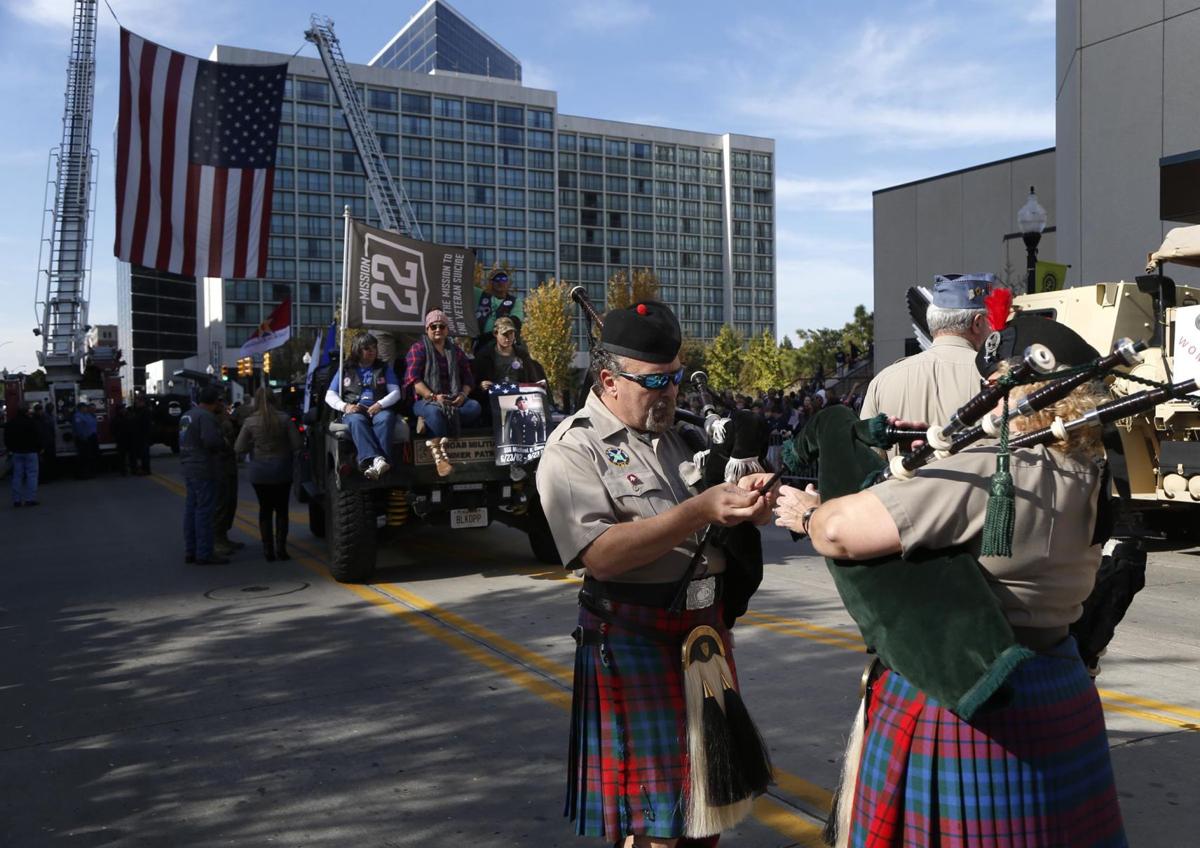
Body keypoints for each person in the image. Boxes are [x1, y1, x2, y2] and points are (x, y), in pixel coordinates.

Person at [769, 318, 1127, 848]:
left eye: (996, 378)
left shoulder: (999, 465)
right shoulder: (1090, 471)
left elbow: (844, 533)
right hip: (1059, 685)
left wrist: (808, 516)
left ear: (1019, 385)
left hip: (974, 696)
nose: (987, 390)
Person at [537, 300, 772, 846]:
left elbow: (716, 518)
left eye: (674, 379)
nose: (668, 392)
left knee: (708, 813)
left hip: (703, 635)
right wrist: (702, 509)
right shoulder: (573, 449)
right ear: (608, 379)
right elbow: (600, 555)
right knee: (657, 824)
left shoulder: (679, 435)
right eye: (653, 381)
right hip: (636, 635)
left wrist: (749, 508)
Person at [860, 273, 996, 427]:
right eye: (989, 322)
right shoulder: (997, 374)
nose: (992, 329)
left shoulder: (882, 382)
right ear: (977, 324)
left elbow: (866, 449)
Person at [235, 388, 302, 561]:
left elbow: (239, 448)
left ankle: (267, 550)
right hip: (281, 469)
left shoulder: (250, 422)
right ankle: (281, 548)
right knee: (281, 510)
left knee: (265, 510)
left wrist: (253, 445)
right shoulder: (285, 419)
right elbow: (297, 445)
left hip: (260, 471)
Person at [325, 333, 402, 480]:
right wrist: (345, 407)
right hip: (355, 410)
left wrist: (380, 404)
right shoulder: (345, 369)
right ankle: (378, 460)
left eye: (374, 347)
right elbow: (330, 395)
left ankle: (373, 465)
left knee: (385, 419)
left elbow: (396, 393)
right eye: (367, 348)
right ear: (357, 350)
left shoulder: (384, 368)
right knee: (356, 421)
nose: (372, 351)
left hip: (379, 408)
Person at [403, 309, 482, 437]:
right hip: (426, 400)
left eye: (442, 326)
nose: (438, 329)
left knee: (474, 407)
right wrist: (434, 397)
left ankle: (431, 420)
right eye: (433, 326)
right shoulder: (418, 348)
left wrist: (462, 395)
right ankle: (441, 449)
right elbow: (414, 380)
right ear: (427, 329)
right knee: (435, 412)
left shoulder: (456, 351)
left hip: (453, 399)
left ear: (447, 330)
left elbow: (468, 378)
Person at [179, 385, 228, 565]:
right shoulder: (207, 417)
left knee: (191, 510)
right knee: (205, 512)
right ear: (214, 402)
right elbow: (211, 442)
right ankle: (205, 552)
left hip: (188, 466)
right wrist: (223, 442)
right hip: (204, 468)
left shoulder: (187, 415)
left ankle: (190, 550)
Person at [474, 316, 547, 392]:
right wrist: (481, 385)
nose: (508, 338)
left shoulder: (522, 354)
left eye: (511, 333)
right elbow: (475, 383)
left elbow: (532, 379)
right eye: (504, 334)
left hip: (521, 395)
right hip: (494, 397)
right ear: (495, 334)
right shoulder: (484, 356)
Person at [212, 397, 244, 558]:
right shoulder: (214, 421)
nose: (223, 406)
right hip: (220, 466)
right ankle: (217, 540)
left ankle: (223, 536)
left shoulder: (225, 419)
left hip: (229, 465)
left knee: (230, 502)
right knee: (222, 504)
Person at [6, 402, 43, 507]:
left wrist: (11, 449)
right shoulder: (31, 423)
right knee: (32, 475)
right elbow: (37, 436)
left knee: (17, 476)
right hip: (30, 451)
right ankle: (30, 499)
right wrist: (39, 448)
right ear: (27, 411)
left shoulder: (11, 423)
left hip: (17, 452)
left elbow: (7, 438)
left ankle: (16, 500)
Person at [474, 269, 523, 348]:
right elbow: (463, 285)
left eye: (504, 279)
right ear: (490, 282)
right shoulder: (480, 295)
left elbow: (516, 320)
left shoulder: (515, 301)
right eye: (497, 279)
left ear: (508, 283)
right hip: (481, 342)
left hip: (504, 343)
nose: (500, 282)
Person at [71, 402, 99, 478]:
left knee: (88, 457)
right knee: (82, 457)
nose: (86, 409)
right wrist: (83, 437)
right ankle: (81, 474)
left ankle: (88, 473)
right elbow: (79, 428)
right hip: (82, 439)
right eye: (84, 407)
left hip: (89, 438)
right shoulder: (77, 416)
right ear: (80, 408)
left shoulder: (87, 415)